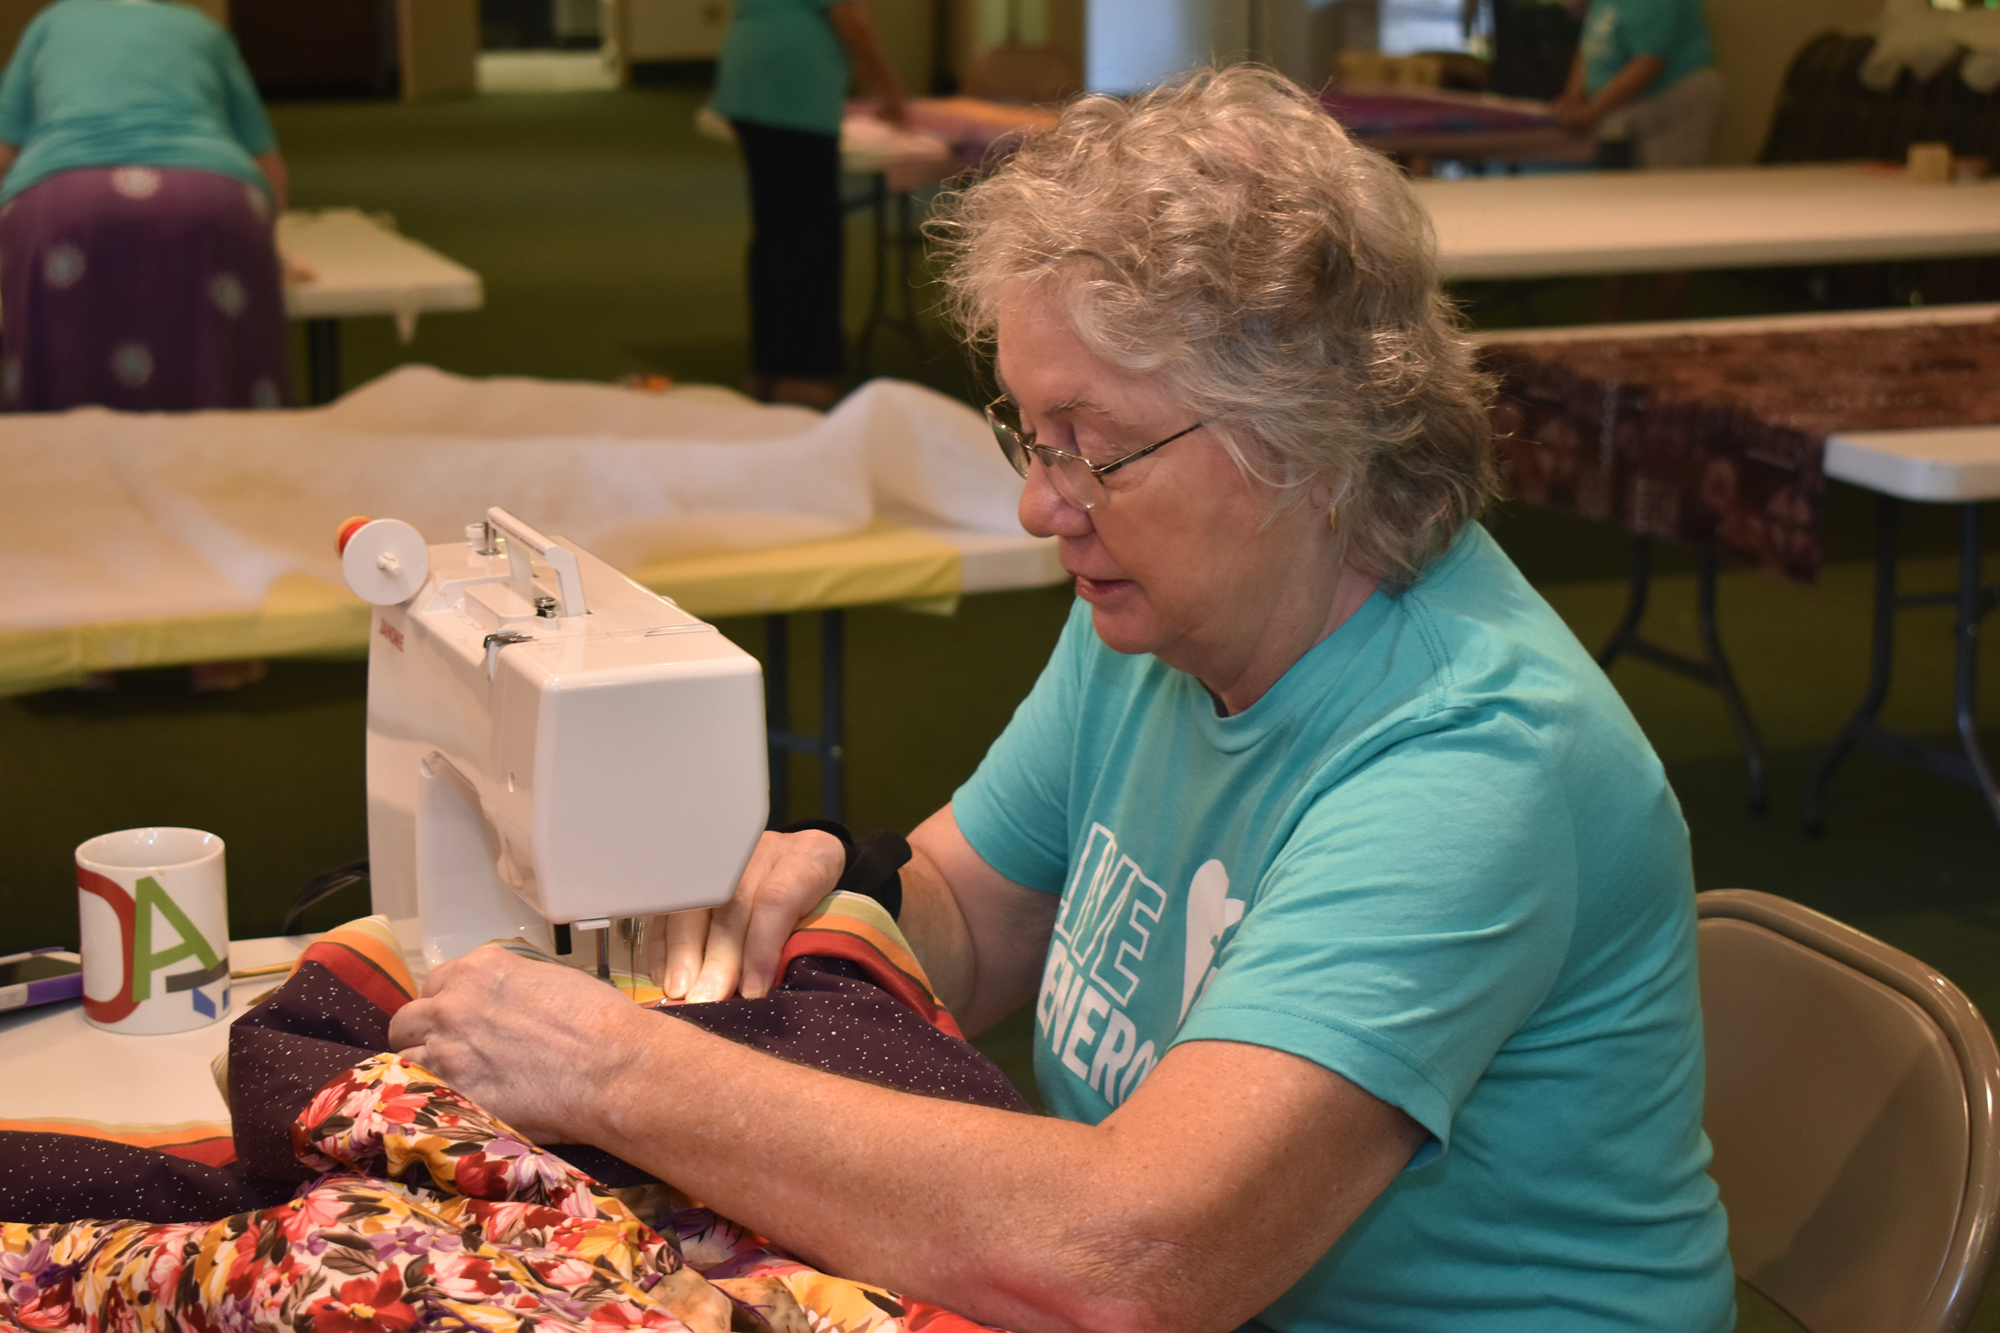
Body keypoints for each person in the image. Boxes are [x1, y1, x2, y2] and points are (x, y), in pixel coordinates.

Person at [392, 66, 1735, 1332]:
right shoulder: (1161, 623)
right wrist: (837, 900)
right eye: (1035, 438)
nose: (1046, 505)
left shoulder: (1471, 768)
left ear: (1310, 437)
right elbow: (974, 915)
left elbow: (1143, 1253)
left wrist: (619, 1072)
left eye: (1094, 448)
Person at [0, 0, 294, 413]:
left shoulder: (48, 24)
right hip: (210, 195)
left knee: (57, 375)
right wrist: (273, 251)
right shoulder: (203, 30)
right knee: (224, 376)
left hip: (63, 198)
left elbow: (2, 153)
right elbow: (268, 164)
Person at [711, 0, 908, 411]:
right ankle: (802, 372)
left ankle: (768, 366)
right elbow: (849, 17)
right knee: (808, 233)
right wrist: (888, 86)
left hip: (749, 71)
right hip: (793, 85)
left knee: (774, 229)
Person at [1550, 0, 1722, 170]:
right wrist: (1572, 98)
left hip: (1673, 98)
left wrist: (1592, 111)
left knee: (1664, 188)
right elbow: (1590, 44)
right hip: (1627, 105)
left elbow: (1648, 62)